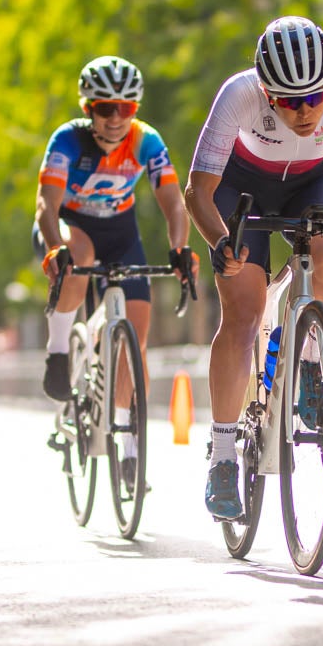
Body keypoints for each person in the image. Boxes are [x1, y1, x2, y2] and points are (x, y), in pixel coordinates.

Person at [183, 16, 323, 520]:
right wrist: (221, 241)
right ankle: (221, 454)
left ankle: (305, 354)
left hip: (311, 181)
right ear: (266, 92)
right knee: (243, 310)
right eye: (288, 101)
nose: (306, 111)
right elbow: (197, 189)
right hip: (240, 189)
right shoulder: (237, 95)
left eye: (316, 98)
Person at [34, 56, 193, 475]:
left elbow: (174, 202)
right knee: (79, 257)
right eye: (106, 108)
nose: (116, 118)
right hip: (70, 226)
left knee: (136, 337)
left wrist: (180, 249)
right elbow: (45, 207)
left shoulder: (147, 141)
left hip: (121, 232)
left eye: (126, 108)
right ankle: (58, 350)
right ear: (89, 109)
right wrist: (55, 247)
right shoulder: (68, 140)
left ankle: (127, 440)